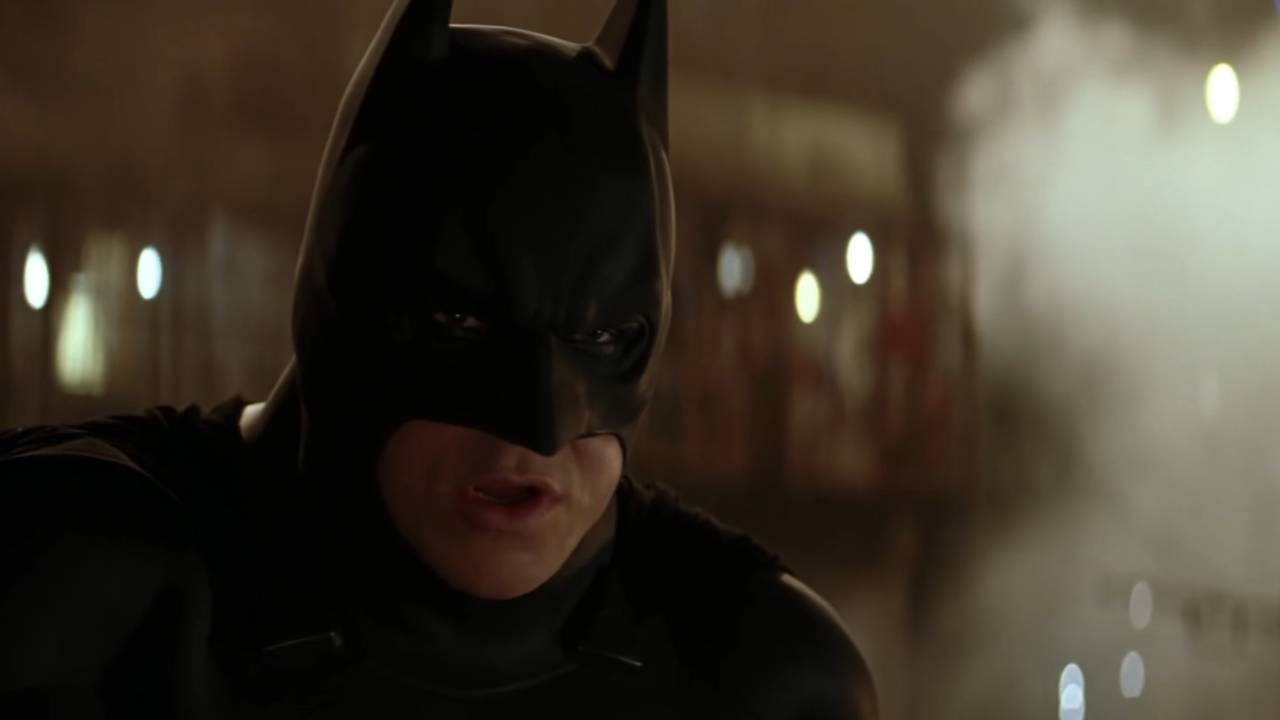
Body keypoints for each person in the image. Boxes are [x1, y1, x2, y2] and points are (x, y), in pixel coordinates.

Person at [0, 0, 877, 717]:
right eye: (458, 320)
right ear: (344, 311)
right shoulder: (84, 592)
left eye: (605, 338)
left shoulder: (757, 676)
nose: (537, 426)